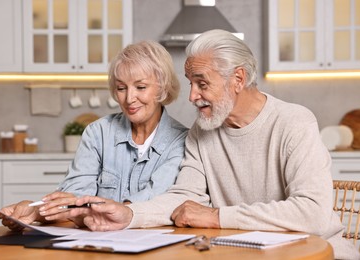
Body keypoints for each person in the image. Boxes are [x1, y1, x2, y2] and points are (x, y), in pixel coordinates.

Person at [46, 30, 359, 259]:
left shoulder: (294, 122)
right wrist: (129, 215)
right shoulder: (202, 131)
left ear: (237, 79)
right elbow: (183, 197)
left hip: (319, 253)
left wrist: (216, 217)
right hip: (244, 253)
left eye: (202, 83)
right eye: (190, 83)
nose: (192, 95)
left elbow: (313, 213)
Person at [0, 40, 188, 230]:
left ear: (162, 87)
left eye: (141, 87)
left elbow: (155, 200)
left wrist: (84, 207)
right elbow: (74, 195)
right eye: (121, 88)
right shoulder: (98, 132)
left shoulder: (181, 141)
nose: (129, 98)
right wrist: (37, 210)